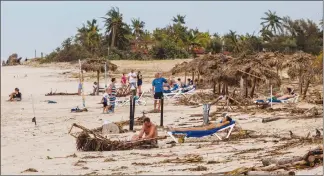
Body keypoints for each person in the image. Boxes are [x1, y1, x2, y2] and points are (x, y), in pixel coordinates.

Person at [168, 113, 233, 132]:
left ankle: (175, 129)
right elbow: (223, 120)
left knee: (190, 129)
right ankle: (175, 129)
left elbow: (228, 121)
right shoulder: (221, 123)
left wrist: (227, 118)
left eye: (224, 118)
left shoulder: (226, 122)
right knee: (190, 128)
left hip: (205, 129)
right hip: (205, 128)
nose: (223, 118)